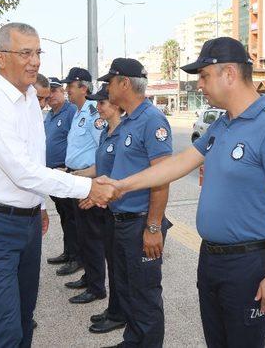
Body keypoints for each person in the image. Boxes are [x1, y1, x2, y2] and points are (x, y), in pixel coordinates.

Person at [88, 41, 265, 348]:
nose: (199, 84)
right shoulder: (222, 124)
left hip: (248, 264)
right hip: (212, 258)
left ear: (229, 73)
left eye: (203, 76)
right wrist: (122, 185)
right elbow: (178, 164)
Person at [0, 22, 115, 348]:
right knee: (6, 331)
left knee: (24, 318)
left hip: (27, 222)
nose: (34, 61)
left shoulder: (31, 97)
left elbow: (34, 157)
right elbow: (23, 170)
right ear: (2, 58)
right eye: (25, 53)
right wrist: (88, 187)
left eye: (37, 53)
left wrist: (40, 206)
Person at [83, 58, 174, 347]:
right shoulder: (129, 121)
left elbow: (162, 178)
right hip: (120, 219)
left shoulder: (152, 120)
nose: (106, 88)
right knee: (128, 287)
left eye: (109, 82)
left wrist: (153, 227)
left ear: (124, 83)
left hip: (140, 222)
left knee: (145, 293)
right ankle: (133, 339)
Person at [72, 84, 126, 334]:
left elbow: (122, 173)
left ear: (115, 104)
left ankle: (119, 313)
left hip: (116, 205)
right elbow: (99, 167)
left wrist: (95, 196)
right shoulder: (106, 131)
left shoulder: (125, 132)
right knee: (112, 260)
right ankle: (115, 310)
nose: (97, 108)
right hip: (107, 205)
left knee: (119, 267)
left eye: (101, 103)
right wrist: (77, 177)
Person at [59, 66, 106, 302]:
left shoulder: (93, 113)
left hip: (88, 181)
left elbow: (103, 149)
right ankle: (89, 276)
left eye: (70, 86)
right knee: (82, 233)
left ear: (83, 87)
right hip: (76, 178)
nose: (67, 90)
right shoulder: (78, 112)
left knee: (92, 235)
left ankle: (97, 287)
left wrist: (91, 178)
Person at [43, 77, 79, 268]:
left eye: (55, 90)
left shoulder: (71, 111)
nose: (50, 95)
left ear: (63, 92)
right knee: (65, 216)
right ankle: (69, 252)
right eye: (49, 91)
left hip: (66, 174)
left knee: (73, 217)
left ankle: (77, 257)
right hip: (53, 176)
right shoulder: (49, 115)